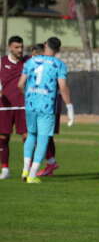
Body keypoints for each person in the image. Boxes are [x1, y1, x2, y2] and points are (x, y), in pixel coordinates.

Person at [18, 37, 73, 183]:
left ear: (44, 45)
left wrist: (29, 95)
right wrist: (69, 106)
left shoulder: (31, 61)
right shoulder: (59, 65)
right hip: (47, 106)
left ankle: (25, 170)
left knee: (31, 136)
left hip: (30, 105)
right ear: (58, 50)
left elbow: (20, 84)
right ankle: (32, 175)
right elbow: (62, 87)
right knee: (42, 139)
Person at [0, 36, 28, 180]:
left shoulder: (28, 62)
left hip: (24, 105)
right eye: (17, 47)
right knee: (3, 138)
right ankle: (5, 169)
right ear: (10, 47)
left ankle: (27, 169)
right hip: (5, 107)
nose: (20, 50)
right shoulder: (2, 62)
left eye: (21, 47)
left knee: (26, 137)